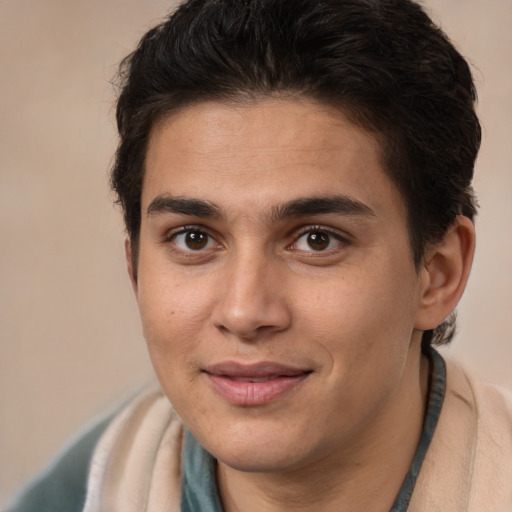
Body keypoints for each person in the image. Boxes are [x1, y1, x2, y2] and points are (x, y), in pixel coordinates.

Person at [8, 0, 512, 510]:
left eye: (318, 239)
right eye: (194, 239)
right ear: (135, 267)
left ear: (437, 274)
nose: (245, 312)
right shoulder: (81, 490)